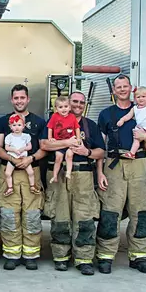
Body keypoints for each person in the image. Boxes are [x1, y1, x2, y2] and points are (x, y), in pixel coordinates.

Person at [96, 74, 146, 275]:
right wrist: (99, 172)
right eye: (118, 87)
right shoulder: (106, 114)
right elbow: (100, 146)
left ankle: (139, 257)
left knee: (140, 213)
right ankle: (105, 256)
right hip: (114, 165)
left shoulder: (143, 109)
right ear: (113, 91)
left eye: (125, 86)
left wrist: (145, 136)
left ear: (131, 88)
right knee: (110, 213)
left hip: (139, 163)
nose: (122, 89)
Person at [40, 91, 105, 276]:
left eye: (81, 102)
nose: (77, 105)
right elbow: (44, 144)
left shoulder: (90, 126)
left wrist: (87, 151)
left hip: (83, 175)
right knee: (60, 217)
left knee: (84, 219)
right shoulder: (52, 120)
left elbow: (101, 151)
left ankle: (84, 259)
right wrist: (66, 142)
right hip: (58, 174)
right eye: (74, 101)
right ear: (67, 103)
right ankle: (60, 257)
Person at [0, 84, 46, 270]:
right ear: (11, 100)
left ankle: (30, 255)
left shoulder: (39, 122)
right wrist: (13, 159)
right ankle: (12, 254)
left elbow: (43, 148)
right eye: (16, 98)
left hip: (31, 172)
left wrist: (29, 159)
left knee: (32, 214)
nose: (19, 101)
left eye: (22, 97)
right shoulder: (3, 121)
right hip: (9, 173)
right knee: (9, 215)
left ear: (28, 99)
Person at [47, 96, 81, 182]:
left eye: (66, 106)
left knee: (69, 156)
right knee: (58, 158)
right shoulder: (54, 116)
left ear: (69, 107)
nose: (63, 109)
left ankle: (68, 172)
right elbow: (50, 127)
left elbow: (77, 128)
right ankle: (54, 176)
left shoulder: (72, 117)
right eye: (60, 107)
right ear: (56, 108)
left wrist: (78, 138)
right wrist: (50, 137)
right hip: (59, 143)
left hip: (71, 143)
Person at [3, 113, 35, 194]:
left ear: (24, 126)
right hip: (12, 157)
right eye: (14, 125)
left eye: (19, 125)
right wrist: (13, 150)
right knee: (7, 173)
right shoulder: (9, 137)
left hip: (24, 158)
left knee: (31, 172)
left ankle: (32, 186)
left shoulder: (26, 136)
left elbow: (29, 146)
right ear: (10, 126)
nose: (17, 127)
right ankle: (10, 188)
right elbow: (6, 147)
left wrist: (23, 148)